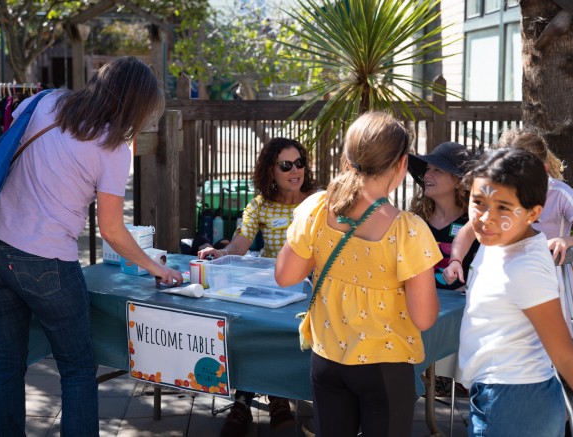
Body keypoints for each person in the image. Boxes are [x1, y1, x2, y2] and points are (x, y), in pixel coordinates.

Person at [0, 57, 183, 437]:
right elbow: (113, 232)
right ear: (134, 104)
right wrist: (157, 268)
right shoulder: (114, 149)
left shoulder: (46, 101)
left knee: (7, 362)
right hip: (46, 263)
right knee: (78, 369)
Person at [274, 111, 442, 437]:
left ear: (346, 159)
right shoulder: (408, 230)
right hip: (385, 367)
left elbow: (285, 276)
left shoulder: (317, 207)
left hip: (327, 359)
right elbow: (423, 318)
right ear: (402, 165)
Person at [198, 137, 316, 437]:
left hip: (311, 290)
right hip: (272, 287)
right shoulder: (260, 206)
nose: (295, 170)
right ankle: (244, 401)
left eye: (299, 163)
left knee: (287, 340)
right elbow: (238, 245)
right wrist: (219, 253)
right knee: (249, 331)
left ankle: (276, 396)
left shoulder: (320, 201)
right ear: (270, 171)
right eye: (286, 165)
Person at [457, 148, 573, 436]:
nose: (486, 217)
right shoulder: (500, 239)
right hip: (501, 395)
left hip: (516, 403)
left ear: (534, 212)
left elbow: (563, 354)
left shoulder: (524, 267)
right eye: (479, 202)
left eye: (503, 207)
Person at [443, 127, 573, 288]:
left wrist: (567, 240)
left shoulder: (560, 194)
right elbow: (469, 231)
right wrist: (455, 260)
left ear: (542, 169)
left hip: (549, 286)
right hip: (501, 285)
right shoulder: (497, 192)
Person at [408, 141, 479, 291]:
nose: (427, 175)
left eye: (437, 170)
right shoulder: (415, 221)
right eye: (427, 169)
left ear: (459, 181)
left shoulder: (474, 225)